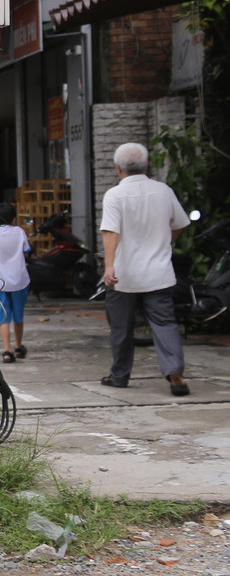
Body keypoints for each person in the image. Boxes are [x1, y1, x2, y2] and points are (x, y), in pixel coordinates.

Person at [100, 142, 192, 396]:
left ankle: (119, 376)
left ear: (118, 168)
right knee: (165, 323)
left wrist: (109, 266)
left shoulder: (115, 195)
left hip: (123, 276)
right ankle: (176, 374)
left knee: (121, 327)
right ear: (147, 165)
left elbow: (111, 231)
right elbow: (180, 223)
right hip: (159, 274)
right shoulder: (163, 191)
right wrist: (163, 238)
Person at [0, 202, 32, 363]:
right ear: (14, 219)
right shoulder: (19, 232)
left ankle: (7, 351)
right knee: (18, 316)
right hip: (19, 280)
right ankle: (19, 347)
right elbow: (27, 251)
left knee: (2, 317)